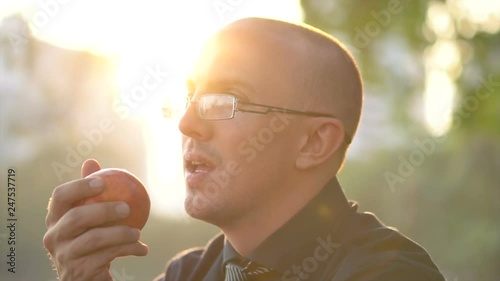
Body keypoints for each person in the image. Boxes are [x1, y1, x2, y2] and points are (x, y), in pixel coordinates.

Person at [43, 17, 446, 281]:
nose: (186, 124)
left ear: (313, 142)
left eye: (226, 100)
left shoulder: (387, 272)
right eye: (189, 97)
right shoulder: (188, 274)